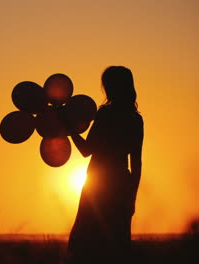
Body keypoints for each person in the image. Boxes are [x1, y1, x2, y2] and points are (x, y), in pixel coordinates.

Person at [66, 66, 144, 263]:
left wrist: (69, 129)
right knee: (117, 246)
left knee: (88, 244)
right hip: (122, 185)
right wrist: (132, 196)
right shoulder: (136, 119)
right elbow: (137, 162)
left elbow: (86, 150)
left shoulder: (106, 114)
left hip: (98, 186)